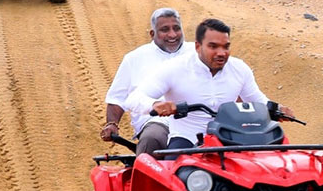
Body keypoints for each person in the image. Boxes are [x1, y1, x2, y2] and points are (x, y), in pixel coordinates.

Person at [125, 18, 294, 154]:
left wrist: (278, 109)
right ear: (198, 46)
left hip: (232, 138)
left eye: (226, 47)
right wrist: (155, 105)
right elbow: (133, 99)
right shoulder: (174, 68)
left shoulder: (239, 69)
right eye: (213, 46)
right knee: (172, 177)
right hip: (187, 139)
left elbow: (257, 100)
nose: (221, 53)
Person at [100, 7, 194, 156]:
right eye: (165, 30)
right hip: (158, 123)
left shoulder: (198, 54)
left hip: (197, 120)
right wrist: (112, 124)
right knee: (151, 140)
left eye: (176, 28)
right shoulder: (135, 59)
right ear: (152, 34)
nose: (172, 34)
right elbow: (117, 98)